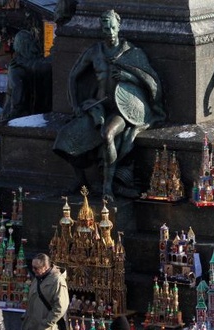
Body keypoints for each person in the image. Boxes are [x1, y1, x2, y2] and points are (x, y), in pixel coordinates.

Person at [54, 9, 166, 201]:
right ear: (101, 29)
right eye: (106, 28)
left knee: (108, 134)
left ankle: (107, 188)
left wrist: (128, 76)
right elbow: (73, 75)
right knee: (64, 137)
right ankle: (81, 180)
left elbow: (151, 82)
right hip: (98, 107)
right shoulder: (94, 52)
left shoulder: (131, 52)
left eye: (113, 27)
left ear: (119, 26)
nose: (110, 31)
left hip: (121, 110)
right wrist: (75, 105)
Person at [21, 253, 70, 330]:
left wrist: (46, 322)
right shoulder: (38, 278)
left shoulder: (57, 281)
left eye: (36, 268)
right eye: (32, 267)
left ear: (45, 267)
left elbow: (61, 306)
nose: (33, 270)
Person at [2, 30, 52, 121]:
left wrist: (10, 115)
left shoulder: (16, 66)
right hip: (41, 114)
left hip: (21, 115)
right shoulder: (40, 64)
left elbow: (18, 95)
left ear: (18, 45)